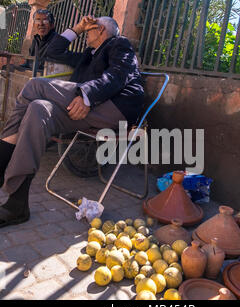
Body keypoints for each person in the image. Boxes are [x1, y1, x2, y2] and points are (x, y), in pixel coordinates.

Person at [0, 15, 144, 228]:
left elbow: (118, 75)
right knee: (37, 109)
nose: (86, 33)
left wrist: (87, 95)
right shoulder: (88, 55)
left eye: (89, 30)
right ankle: (17, 204)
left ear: (102, 30)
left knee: (35, 86)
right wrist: (77, 28)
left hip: (114, 107)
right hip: (81, 112)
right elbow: (53, 51)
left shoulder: (119, 44)